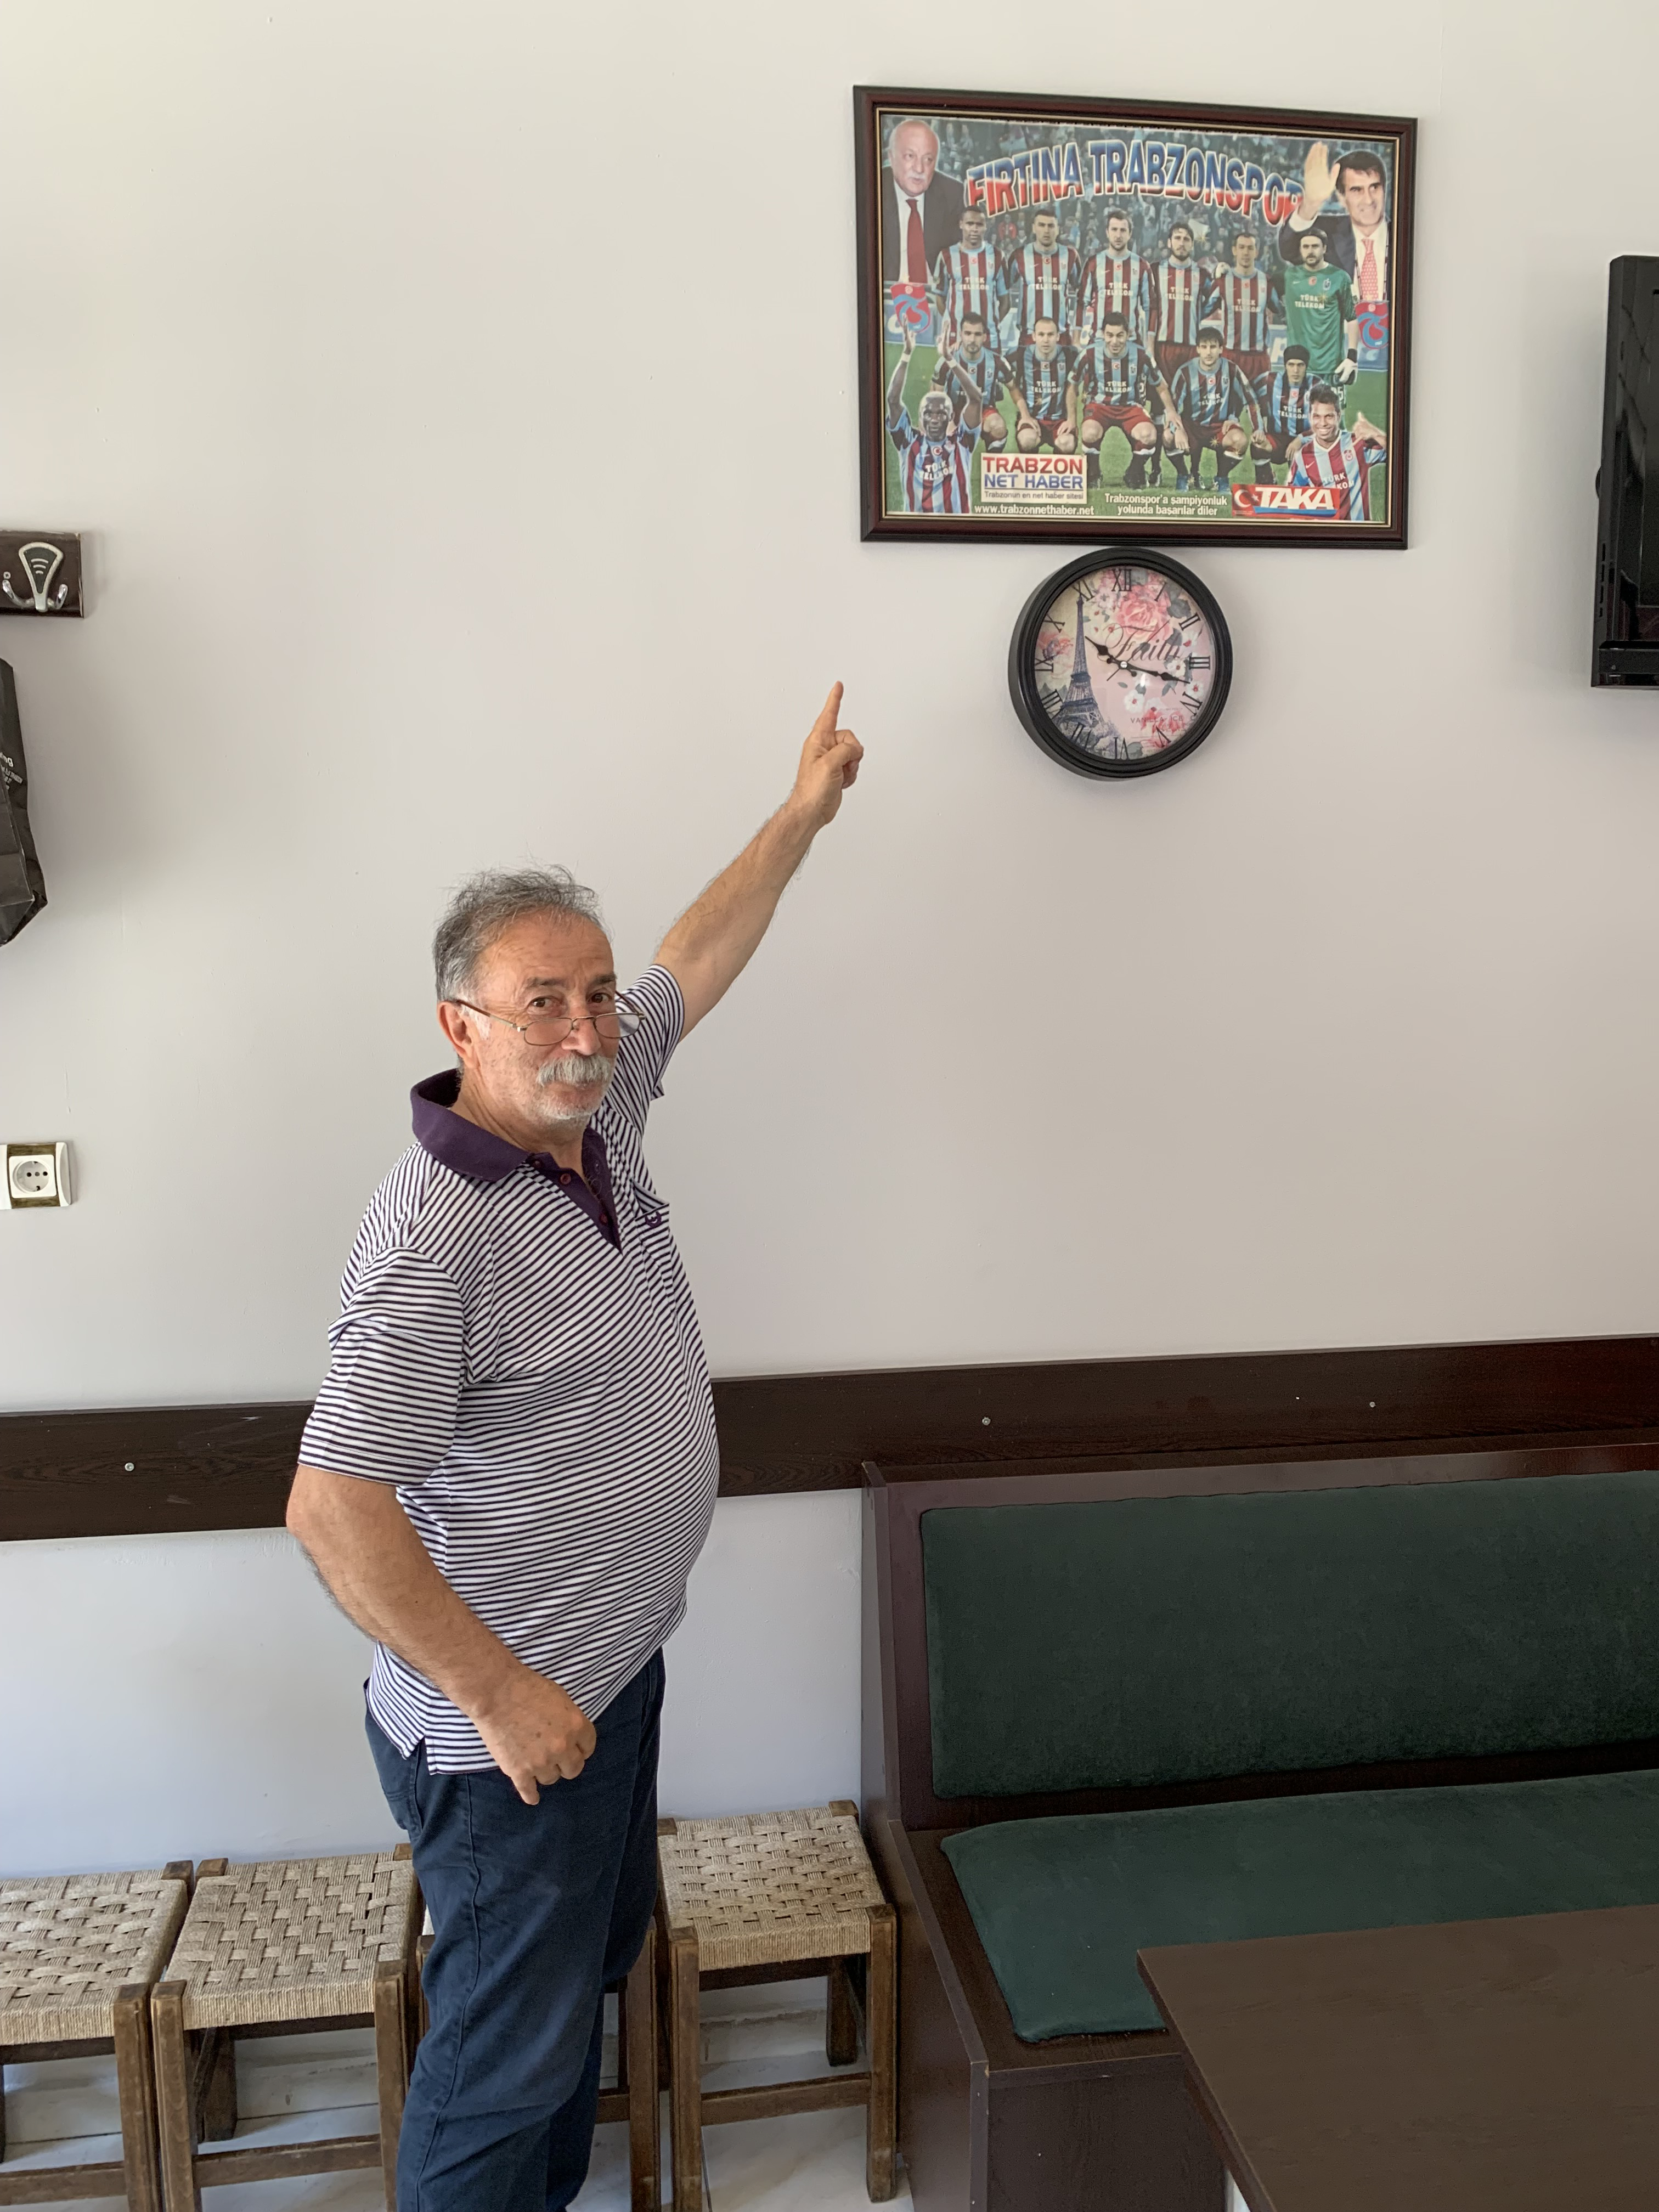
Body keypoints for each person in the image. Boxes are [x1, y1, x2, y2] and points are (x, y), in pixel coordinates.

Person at [285, 697, 864, 2212]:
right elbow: (333, 1506)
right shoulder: (438, 1226)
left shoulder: (600, 1118)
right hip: (510, 1730)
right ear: (460, 1026)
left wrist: (800, 814)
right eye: (542, 1002)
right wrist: (501, 1695)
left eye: (595, 998)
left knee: (565, 2015)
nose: (588, 1029)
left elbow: (697, 953)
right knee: (505, 2063)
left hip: (608, 1674)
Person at [1070, 311, 1182, 489]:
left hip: (1131, 407)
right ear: (1103, 334)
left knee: (1149, 435)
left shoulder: (1141, 355)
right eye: (1110, 335)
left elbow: (1161, 386)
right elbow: (1072, 385)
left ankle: (1134, 472)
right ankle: (1093, 473)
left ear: (1128, 334)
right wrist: (1071, 419)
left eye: (1120, 336)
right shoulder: (1090, 354)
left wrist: (1171, 411)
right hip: (1099, 406)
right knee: (1090, 432)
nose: (1115, 341)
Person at [1276, 142, 1390, 304]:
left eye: (1375, 187)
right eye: (1357, 190)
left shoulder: (1407, 236)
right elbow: (1289, 248)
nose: (1368, 200)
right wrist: (1311, 203)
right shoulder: (1328, 232)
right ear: (1342, 198)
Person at [887, 326, 982, 511]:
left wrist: (949, 359)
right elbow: (892, 400)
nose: (935, 419)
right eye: (928, 414)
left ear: (951, 417)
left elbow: (976, 399)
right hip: (918, 526)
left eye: (941, 414)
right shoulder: (908, 442)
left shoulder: (962, 442)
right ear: (920, 417)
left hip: (956, 525)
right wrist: (906, 354)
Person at [1166, 326, 1260, 490]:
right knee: (1168, 436)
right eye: (1204, 347)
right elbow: (1172, 408)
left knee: (1240, 441)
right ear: (1198, 349)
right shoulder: (1185, 372)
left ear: (1221, 349)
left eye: (1213, 347)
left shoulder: (1232, 370)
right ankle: (1184, 475)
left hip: (1220, 428)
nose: (1208, 352)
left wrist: (1258, 429)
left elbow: (1251, 400)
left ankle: (1221, 478)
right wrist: (1177, 429)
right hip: (1192, 427)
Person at [881, 117, 966, 286]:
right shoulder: (874, 187)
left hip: (933, 296)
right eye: (910, 156)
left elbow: (957, 264)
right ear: (891, 157)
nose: (919, 169)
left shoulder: (952, 194)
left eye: (928, 160)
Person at [1285, 385, 1387, 518]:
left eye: (1329, 416)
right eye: (1317, 416)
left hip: (1358, 530)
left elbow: (1398, 455)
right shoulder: (1303, 457)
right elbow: (1292, 500)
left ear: (1338, 416)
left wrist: (1375, 433)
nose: (1323, 423)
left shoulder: (1357, 444)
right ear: (1310, 417)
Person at [1280, 226, 1359, 390]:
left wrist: (1352, 357)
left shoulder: (1339, 278)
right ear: (1300, 250)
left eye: (1315, 246)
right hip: (1298, 367)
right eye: (1306, 247)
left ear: (1324, 249)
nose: (1310, 251)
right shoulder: (1289, 276)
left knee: (1330, 408)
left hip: (1331, 367)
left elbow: (1352, 318)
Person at [996, 205, 1082, 351]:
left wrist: (1077, 335)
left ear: (1058, 229)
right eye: (1041, 225)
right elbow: (1002, 290)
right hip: (1029, 336)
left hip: (1061, 336)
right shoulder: (1019, 255)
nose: (1046, 230)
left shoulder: (1070, 256)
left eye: (1051, 226)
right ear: (1034, 228)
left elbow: (1082, 295)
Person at [1204, 230, 1275, 389]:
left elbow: (1282, 312)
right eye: (1242, 247)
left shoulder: (1266, 282)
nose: (1246, 252)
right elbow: (1203, 311)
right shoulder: (1223, 282)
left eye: (1250, 248)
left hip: (1259, 359)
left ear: (1257, 252)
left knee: (1263, 404)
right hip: (1231, 355)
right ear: (1234, 250)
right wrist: (1212, 278)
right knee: (1230, 403)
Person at [1077, 207, 1154, 349]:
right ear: (1107, 232)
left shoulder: (1142, 266)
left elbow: (1150, 307)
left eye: (1123, 230)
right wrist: (1076, 340)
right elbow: (1081, 302)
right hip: (1100, 342)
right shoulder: (1094, 263)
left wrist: (1150, 346)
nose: (1118, 235)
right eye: (1114, 230)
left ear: (1130, 234)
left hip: (1131, 343)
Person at [933, 202, 998, 353]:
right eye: (970, 224)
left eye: (979, 225)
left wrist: (989, 323)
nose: (974, 229)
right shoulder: (946, 256)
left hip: (988, 337)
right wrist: (953, 322)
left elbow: (1005, 301)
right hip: (954, 337)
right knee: (953, 369)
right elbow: (940, 298)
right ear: (961, 224)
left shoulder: (997, 256)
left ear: (986, 227)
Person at [944, 310, 1011, 452]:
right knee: (939, 429)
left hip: (983, 411)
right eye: (968, 333)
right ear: (961, 335)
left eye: (978, 334)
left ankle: (991, 463)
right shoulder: (948, 360)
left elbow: (1014, 387)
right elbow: (935, 394)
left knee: (998, 427)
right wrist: (947, 421)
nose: (972, 339)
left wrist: (1025, 415)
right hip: (954, 412)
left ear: (985, 337)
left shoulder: (996, 361)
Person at [1009, 315, 1077, 454]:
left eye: (1050, 335)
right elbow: (1009, 383)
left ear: (1058, 337)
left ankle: (1059, 468)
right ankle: (1029, 467)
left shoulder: (1070, 355)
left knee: (1067, 444)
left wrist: (1072, 419)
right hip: (1032, 418)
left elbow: (1074, 386)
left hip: (1059, 420)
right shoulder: (1019, 354)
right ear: (1034, 337)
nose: (1046, 340)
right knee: (1027, 440)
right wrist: (1025, 416)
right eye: (1041, 335)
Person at [1249, 343, 1317, 482]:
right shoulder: (1270, 380)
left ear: (1306, 366)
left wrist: (1301, 439)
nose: (1296, 370)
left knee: (1299, 486)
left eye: (1300, 365)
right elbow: (1249, 396)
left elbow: (1326, 423)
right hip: (1278, 440)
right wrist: (1259, 428)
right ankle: (1267, 480)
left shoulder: (1317, 385)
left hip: (1305, 443)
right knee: (1258, 445)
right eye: (1291, 365)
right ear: (1285, 365)